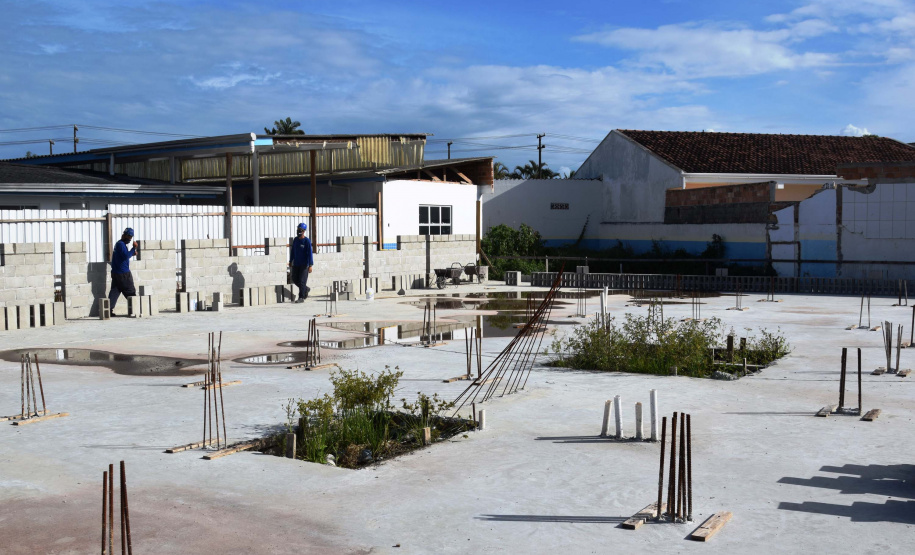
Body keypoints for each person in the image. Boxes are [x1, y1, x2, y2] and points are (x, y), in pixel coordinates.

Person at [108, 227, 138, 312]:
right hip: (123, 274)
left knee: (114, 292)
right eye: (128, 237)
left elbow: (123, 256)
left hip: (115, 273)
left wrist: (132, 253)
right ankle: (135, 309)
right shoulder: (121, 244)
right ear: (124, 235)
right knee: (130, 292)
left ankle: (108, 310)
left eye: (131, 237)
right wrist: (133, 248)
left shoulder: (119, 244)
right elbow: (125, 256)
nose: (130, 239)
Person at [289, 222, 314, 303]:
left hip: (304, 265)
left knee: (302, 281)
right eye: (298, 230)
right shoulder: (296, 240)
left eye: (300, 230)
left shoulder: (307, 241)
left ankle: (301, 297)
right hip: (296, 263)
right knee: (294, 279)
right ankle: (306, 289)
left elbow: (310, 254)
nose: (299, 231)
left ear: (304, 231)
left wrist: (310, 265)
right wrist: (290, 261)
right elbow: (292, 251)